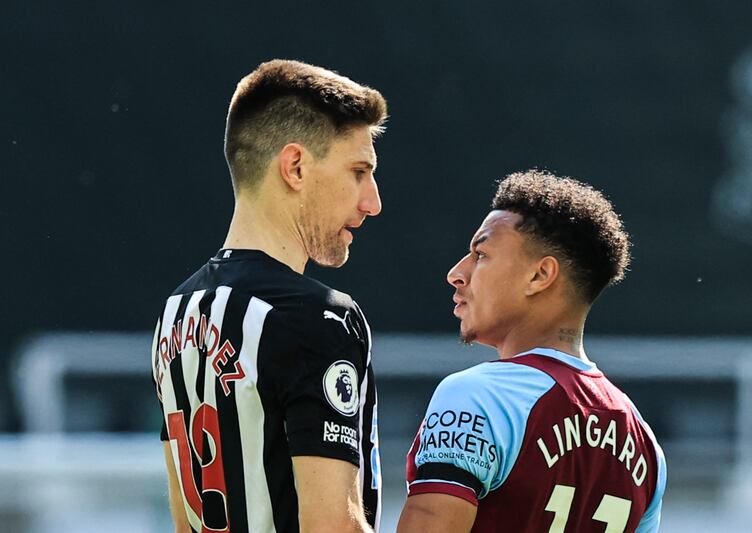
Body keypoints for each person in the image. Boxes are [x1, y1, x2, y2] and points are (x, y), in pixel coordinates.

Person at [151, 59, 387, 533]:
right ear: (295, 166)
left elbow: (184, 523)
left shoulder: (176, 312)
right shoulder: (318, 317)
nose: (372, 201)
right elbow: (332, 526)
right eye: (359, 171)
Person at [398, 170, 666, 532]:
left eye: (481, 254)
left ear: (540, 276)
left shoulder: (477, 396)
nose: (456, 273)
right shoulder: (645, 445)